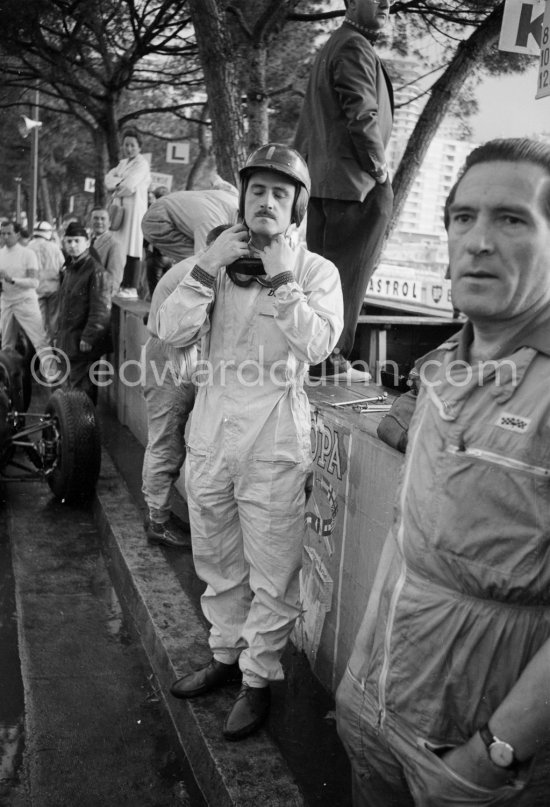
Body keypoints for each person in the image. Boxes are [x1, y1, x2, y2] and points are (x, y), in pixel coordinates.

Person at [335, 137, 550, 806]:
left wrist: (491, 756)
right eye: (463, 217)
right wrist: (354, 686)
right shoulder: (439, 371)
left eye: (511, 219)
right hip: (375, 715)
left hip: (472, 762)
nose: (478, 240)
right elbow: (408, 540)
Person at [158, 143, 343, 740]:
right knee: (215, 560)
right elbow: (169, 329)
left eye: (280, 193)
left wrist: (284, 278)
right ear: (242, 198)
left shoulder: (316, 273)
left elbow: (317, 346)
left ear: (297, 209)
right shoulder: (215, 261)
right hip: (211, 437)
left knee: (272, 572)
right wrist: (207, 265)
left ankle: (258, 681)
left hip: (273, 445)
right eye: (257, 190)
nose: (266, 201)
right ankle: (222, 657)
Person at [294, 0, 394, 382]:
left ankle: (319, 358)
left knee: (325, 274)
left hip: (327, 184)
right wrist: (378, 169)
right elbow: (362, 112)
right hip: (355, 186)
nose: (388, 3)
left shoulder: (336, 43)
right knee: (347, 277)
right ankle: (331, 359)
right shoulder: (354, 45)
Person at [141, 225, 230, 549]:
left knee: (169, 439)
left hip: (175, 353)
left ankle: (160, 511)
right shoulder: (201, 269)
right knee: (165, 440)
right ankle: (157, 520)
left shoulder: (194, 265)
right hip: (168, 355)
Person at [56, 221, 112, 404]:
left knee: (82, 394)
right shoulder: (71, 269)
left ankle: (84, 431)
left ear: (87, 243)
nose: (72, 245)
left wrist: (88, 338)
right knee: (72, 391)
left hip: (83, 344)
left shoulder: (96, 272)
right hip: (70, 341)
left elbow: (101, 310)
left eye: (77, 241)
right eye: (69, 241)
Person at [141, 177, 239, 265]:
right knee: (201, 260)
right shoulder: (213, 222)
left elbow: (217, 180)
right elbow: (205, 261)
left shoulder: (235, 197)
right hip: (158, 220)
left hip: (166, 207)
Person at [0, 220, 53, 377]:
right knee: (6, 345)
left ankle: (53, 377)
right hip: (7, 302)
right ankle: (7, 382)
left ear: (17, 234)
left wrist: (12, 280)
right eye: (2, 233)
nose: (5, 236)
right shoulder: (0, 254)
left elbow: (34, 282)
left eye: (9, 233)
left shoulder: (28, 254)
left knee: (40, 341)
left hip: (26, 302)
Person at [104, 127, 151, 297]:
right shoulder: (123, 163)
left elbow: (129, 185)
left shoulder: (142, 164)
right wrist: (119, 185)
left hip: (134, 211)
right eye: (126, 145)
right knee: (119, 245)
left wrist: (117, 184)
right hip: (120, 209)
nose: (129, 148)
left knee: (133, 245)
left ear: (139, 147)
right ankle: (120, 283)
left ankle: (131, 286)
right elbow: (107, 179)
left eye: (132, 145)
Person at [28, 220, 64, 343]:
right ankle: (54, 346)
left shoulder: (28, 247)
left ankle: (42, 348)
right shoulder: (54, 247)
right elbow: (62, 266)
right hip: (54, 288)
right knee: (54, 320)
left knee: (40, 322)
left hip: (36, 290)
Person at [89, 207, 125, 297]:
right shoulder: (87, 241)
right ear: (90, 221)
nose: (99, 222)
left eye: (103, 219)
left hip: (99, 296)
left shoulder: (114, 244)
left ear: (109, 223)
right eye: (96, 218)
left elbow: (114, 278)